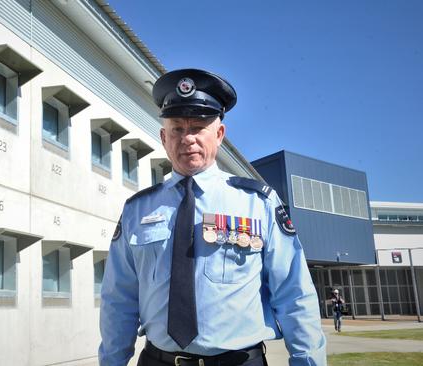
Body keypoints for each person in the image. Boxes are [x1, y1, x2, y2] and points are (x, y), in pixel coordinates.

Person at [99, 69, 326, 366]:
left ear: (219, 135)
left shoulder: (258, 203)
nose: (187, 139)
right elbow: (119, 300)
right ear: (164, 137)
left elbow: (294, 293)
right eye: (177, 129)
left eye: (198, 127)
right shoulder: (137, 210)